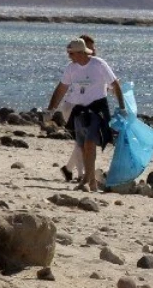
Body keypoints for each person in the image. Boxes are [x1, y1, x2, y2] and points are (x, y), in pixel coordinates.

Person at [46, 37, 125, 192]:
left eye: (72, 53)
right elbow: (61, 88)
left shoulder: (99, 64)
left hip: (97, 109)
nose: (69, 57)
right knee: (82, 147)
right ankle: (91, 182)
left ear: (81, 52)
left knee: (90, 144)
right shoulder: (71, 68)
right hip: (79, 110)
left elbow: (115, 85)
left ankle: (85, 181)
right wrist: (51, 109)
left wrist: (122, 108)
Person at [54, 33, 95, 182]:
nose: (93, 50)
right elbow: (63, 87)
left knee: (82, 141)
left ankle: (68, 169)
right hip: (72, 106)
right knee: (82, 141)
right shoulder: (76, 66)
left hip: (83, 107)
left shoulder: (94, 64)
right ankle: (80, 175)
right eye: (90, 47)